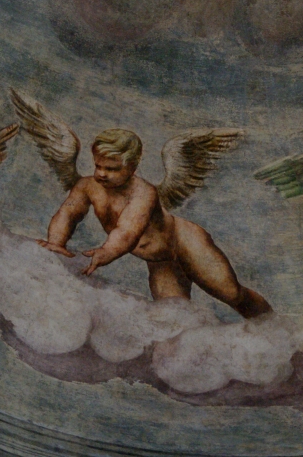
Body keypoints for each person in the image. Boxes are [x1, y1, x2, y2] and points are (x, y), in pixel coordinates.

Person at [39, 129, 273, 318]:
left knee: (231, 293)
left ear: (132, 167)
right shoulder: (87, 186)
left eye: (112, 169)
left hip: (187, 243)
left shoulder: (143, 192)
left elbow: (128, 231)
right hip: (160, 261)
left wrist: (107, 251)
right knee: (175, 317)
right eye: (98, 166)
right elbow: (67, 213)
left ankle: (273, 328)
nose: (101, 174)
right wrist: (56, 242)